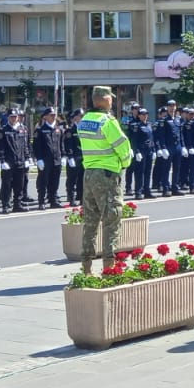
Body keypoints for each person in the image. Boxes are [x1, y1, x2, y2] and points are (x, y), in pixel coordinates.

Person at [77, 86, 134, 274]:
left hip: (89, 173)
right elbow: (122, 146)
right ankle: (110, 268)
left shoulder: (85, 120)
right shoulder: (107, 121)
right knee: (112, 219)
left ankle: (86, 267)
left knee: (91, 221)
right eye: (111, 98)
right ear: (106, 99)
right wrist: (125, 163)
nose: (112, 100)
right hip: (108, 174)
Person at [0, 109, 28, 212]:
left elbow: (25, 145)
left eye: (15, 117)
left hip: (20, 161)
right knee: (7, 185)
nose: (14, 119)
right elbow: (0, 147)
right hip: (8, 162)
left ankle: (17, 205)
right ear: (8, 118)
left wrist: (27, 158)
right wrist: (2, 161)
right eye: (11, 117)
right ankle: (5, 205)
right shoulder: (3, 130)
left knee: (19, 185)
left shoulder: (22, 129)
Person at [33, 107, 64, 210]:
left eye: (54, 114)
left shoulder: (58, 129)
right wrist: (39, 159)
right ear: (45, 117)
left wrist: (63, 156)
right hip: (45, 161)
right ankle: (41, 202)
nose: (53, 116)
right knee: (43, 182)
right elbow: (37, 146)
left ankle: (53, 201)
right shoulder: (40, 130)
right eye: (51, 115)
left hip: (56, 160)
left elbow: (61, 144)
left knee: (55, 182)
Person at [127, 106, 155, 199]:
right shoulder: (136, 126)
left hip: (149, 150)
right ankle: (138, 192)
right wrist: (137, 152)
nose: (145, 116)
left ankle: (147, 191)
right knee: (139, 172)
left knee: (148, 172)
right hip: (141, 150)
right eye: (143, 114)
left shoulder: (149, 125)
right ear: (139, 116)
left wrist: (154, 150)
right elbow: (134, 140)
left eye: (146, 114)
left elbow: (151, 138)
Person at [63, 109, 85, 206]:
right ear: (75, 117)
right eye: (80, 116)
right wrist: (70, 156)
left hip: (83, 157)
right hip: (74, 157)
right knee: (72, 179)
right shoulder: (70, 129)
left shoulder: (84, 129)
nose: (82, 118)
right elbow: (68, 144)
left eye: (83, 116)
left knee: (82, 179)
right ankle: (71, 198)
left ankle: (81, 198)